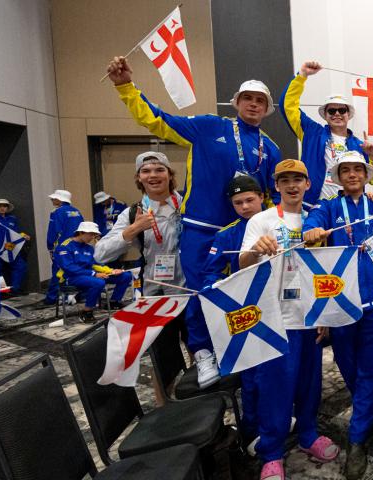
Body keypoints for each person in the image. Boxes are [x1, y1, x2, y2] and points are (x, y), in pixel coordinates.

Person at [107, 57, 282, 382]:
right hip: (202, 229)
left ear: (267, 108)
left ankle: (243, 350)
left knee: (248, 291)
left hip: (244, 233)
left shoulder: (270, 148)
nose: (254, 105)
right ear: (237, 102)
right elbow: (157, 120)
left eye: (261, 101)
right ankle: (203, 353)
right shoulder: (208, 126)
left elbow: (277, 195)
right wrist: (125, 87)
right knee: (200, 291)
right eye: (249, 99)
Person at [239, 159, 339, 479]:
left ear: (308, 184)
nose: (292, 185)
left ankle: (309, 435)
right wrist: (255, 250)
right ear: (276, 186)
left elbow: (329, 269)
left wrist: (325, 313)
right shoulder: (262, 220)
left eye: (298, 179)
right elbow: (242, 265)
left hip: (309, 315)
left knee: (310, 384)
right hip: (275, 317)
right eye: (285, 180)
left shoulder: (317, 218)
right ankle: (271, 451)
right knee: (276, 387)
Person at [302, 151, 373, 480]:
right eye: (346, 170)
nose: (352, 174)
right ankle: (366, 412)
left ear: (367, 175)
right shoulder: (327, 208)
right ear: (338, 177)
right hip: (340, 302)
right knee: (348, 365)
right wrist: (311, 232)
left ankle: (358, 439)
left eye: (358, 169)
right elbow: (310, 224)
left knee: (371, 367)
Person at [200, 175, 266, 445]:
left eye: (250, 199)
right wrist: (217, 288)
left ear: (261, 197)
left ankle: (279, 418)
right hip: (246, 314)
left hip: (280, 310)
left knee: (279, 372)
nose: (245, 206)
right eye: (238, 202)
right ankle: (252, 431)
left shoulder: (279, 223)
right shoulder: (226, 234)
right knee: (251, 378)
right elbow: (210, 275)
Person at [280, 60, 373, 209]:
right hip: (312, 207)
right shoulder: (311, 133)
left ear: (348, 114)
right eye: (331, 111)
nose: (337, 114)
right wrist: (302, 75)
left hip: (348, 210)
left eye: (342, 110)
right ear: (325, 115)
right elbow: (287, 106)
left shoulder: (360, 145)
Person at [94, 151, 184, 302]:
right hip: (155, 290)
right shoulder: (133, 213)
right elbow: (100, 254)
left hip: (193, 287)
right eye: (146, 171)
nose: (153, 175)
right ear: (139, 178)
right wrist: (133, 229)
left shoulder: (189, 205)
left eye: (160, 170)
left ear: (170, 175)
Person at [54, 222, 132, 323]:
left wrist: (111, 271)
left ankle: (114, 302)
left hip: (88, 275)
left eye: (94, 234)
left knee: (125, 276)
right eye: (91, 234)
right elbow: (69, 268)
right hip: (70, 277)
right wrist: (94, 274)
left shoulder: (89, 248)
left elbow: (94, 264)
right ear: (81, 232)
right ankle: (87, 312)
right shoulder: (64, 246)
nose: (93, 237)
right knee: (98, 282)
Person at [44, 189, 83, 305]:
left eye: (53, 198)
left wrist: (50, 247)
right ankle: (79, 294)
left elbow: (53, 232)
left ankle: (52, 298)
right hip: (77, 245)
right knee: (76, 270)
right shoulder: (77, 211)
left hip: (62, 246)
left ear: (59, 199)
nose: (52, 200)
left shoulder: (57, 212)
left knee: (58, 272)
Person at [0, 198, 30, 294]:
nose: (2, 208)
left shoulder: (12, 219)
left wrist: (23, 235)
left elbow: (15, 232)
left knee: (20, 266)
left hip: (10, 248)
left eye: (4, 206)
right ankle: (1, 291)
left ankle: (15, 289)